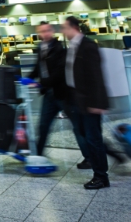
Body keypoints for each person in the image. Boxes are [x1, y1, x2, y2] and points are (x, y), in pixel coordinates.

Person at [62, 16, 111, 190]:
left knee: (93, 138)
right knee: (85, 135)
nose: (63, 31)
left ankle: (101, 177)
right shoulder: (72, 47)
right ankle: (99, 167)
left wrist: (97, 102)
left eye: (64, 28)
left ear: (73, 28)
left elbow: (96, 77)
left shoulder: (88, 46)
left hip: (90, 101)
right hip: (77, 100)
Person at [28, 22, 88, 157]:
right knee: (43, 126)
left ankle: (92, 157)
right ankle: (37, 156)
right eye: (42, 31)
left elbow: (59, 73)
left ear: (52, 31)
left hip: (64, 95)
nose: (45, 34)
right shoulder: (40, 47)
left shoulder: (59, 48)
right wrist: (29, 78)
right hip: (49, 95)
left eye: (47, 30)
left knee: (79, 127)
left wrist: (41, 83)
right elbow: (39, 67)